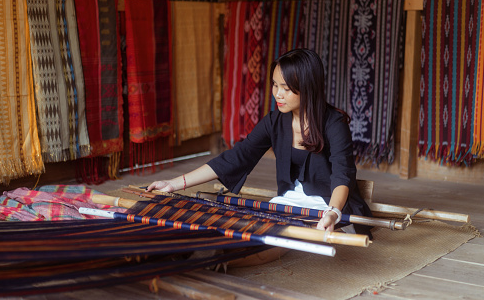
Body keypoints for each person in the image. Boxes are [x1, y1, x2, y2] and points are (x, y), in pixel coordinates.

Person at [147, 48, 373, 236]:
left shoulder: (333, 123)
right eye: (275, 85)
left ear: (308, 88)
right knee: (250, 230)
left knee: (278, 238)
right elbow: (237, 157)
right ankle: (221, 256)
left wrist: (332, 213)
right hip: (289, 202)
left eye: (286, 88)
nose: (278, 94)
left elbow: (343, 175)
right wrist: (174, 184)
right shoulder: (274, 121)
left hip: (326, 204)